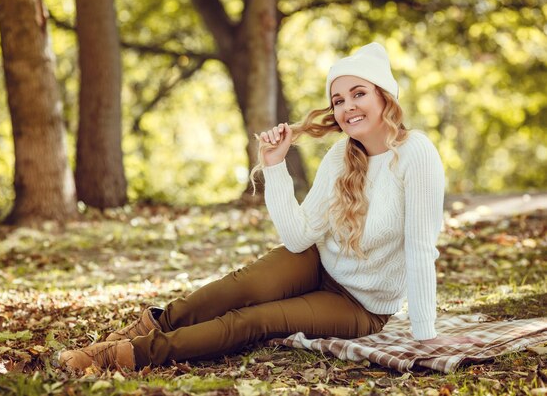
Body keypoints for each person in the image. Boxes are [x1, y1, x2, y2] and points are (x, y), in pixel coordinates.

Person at [57, 42, 476, 372]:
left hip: (360, 306)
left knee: (253, 320)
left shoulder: (417, 154)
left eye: (358, 93)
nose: (347, 108)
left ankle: (123, 355)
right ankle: (145, 327)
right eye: (338, 100)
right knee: (238, 287)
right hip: (315, 262)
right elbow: (297, 237)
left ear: (385, 97)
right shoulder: (339, 157)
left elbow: (421, 251)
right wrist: (275, 167)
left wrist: (425, 337)